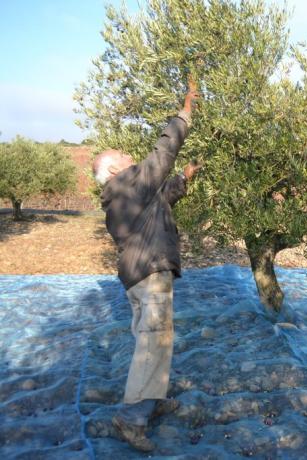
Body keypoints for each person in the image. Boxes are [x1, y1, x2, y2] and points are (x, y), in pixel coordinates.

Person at [92, 82, 201, 451]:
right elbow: (163, 151)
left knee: (156, 341)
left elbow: (162, 197)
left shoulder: (126, 195)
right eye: (122, 155)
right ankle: (131, 417)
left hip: (141, 275)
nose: (129, 157)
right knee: (153, 343)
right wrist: (184, 112)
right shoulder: (127, 183)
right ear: (112, 169)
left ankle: (150, 403)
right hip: (149, 273)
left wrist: (184, 180)